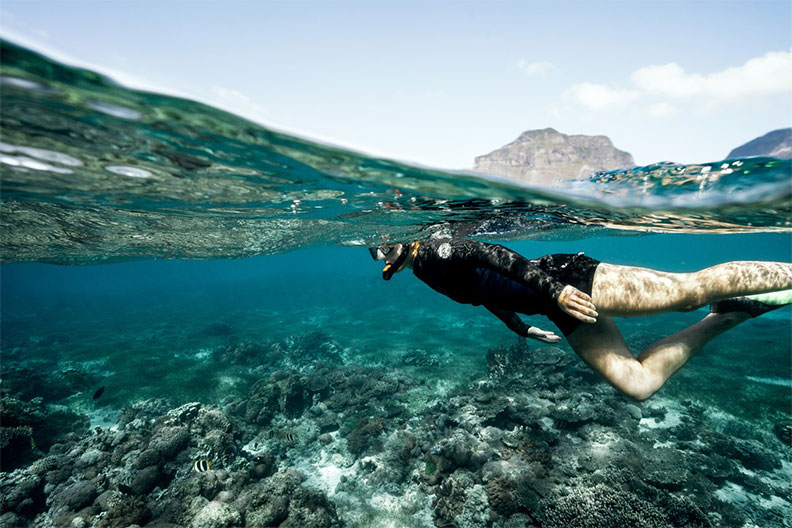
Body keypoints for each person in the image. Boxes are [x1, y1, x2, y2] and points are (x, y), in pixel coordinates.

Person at [369, 239, 792, 401]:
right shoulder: (423, 270)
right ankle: (731, 313)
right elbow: (482, 292)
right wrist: (522, 328)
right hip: (558, 305)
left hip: (567, 282)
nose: (381, 252)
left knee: (689, 293)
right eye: (374, 251)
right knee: (638, 385)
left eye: (383, 244)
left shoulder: (436, 249)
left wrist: (555, 290)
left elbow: (492, 254)